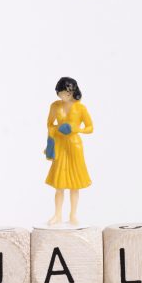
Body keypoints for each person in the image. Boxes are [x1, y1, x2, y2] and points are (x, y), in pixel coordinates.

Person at [44, 77, 93, 225]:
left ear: (73, 92)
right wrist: (55, 132)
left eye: (67, 93)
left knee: (74, 185)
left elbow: (90, 127)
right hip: (60, 145)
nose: (63, 96)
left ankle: (73, 215)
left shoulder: (80, 108)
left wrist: (77, 129)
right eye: (61, 93)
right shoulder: (54, 106)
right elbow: (49, 124)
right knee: (59, 184)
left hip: (74, 146)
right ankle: (57, 214)